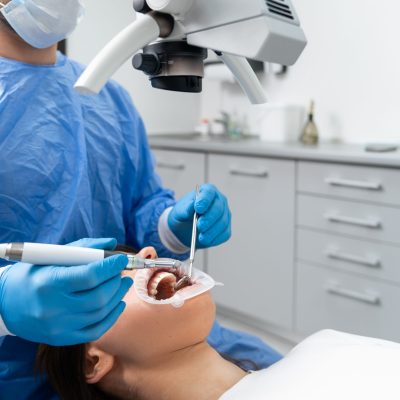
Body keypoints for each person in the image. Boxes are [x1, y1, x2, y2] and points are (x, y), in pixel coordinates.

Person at [0, 0, 281, 398]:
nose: (147, 254)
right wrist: (3, 302)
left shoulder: (108, 98)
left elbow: (140, 208)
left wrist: (172, 224)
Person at [37, 247, 400, 400]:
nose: (146, 253)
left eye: (130, 255)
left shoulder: (323, 345)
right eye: (105, 280)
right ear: (92, 360)